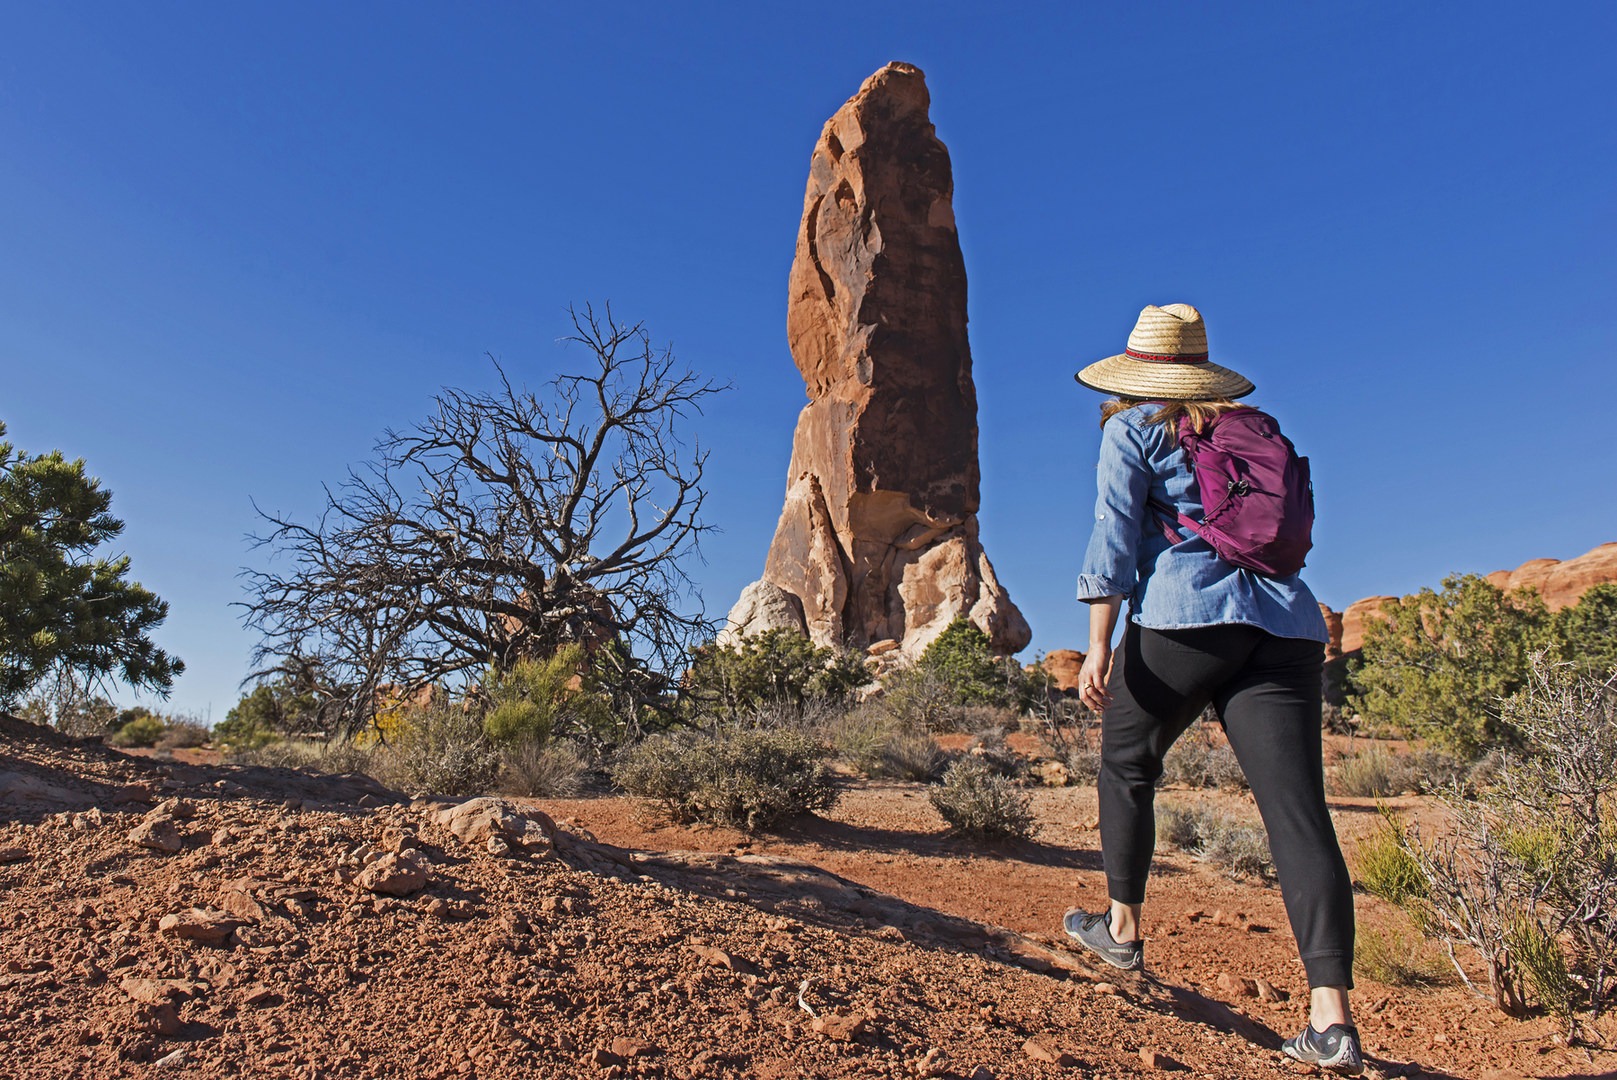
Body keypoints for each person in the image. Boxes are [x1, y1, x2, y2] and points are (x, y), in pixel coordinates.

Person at [1063, 303, 1362, 1075]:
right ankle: (1330, 1020)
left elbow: (1114, 536)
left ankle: (1121, 931)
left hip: (1184, 619)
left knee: (1128, 763)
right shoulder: (1255, 431)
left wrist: (1098, 645)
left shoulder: (1133, 430)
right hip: (1286, 627)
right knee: (1297, 812)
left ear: (1132, 374)